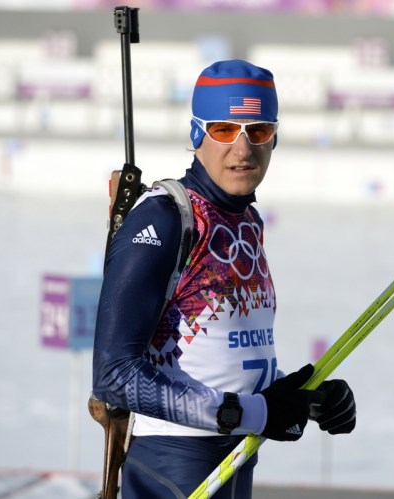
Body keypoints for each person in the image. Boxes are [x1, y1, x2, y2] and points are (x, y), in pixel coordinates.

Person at [92, 59, 357, 498]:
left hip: (236, 462)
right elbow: (114, 375)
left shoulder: (246, 220)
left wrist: (305, 400)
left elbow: (223, 360)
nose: (243, 148)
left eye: (258, 131)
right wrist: (254, 414)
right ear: (197, 133)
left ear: (275, 137)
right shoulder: (165, 218)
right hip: (170, 468)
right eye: (223, 129)